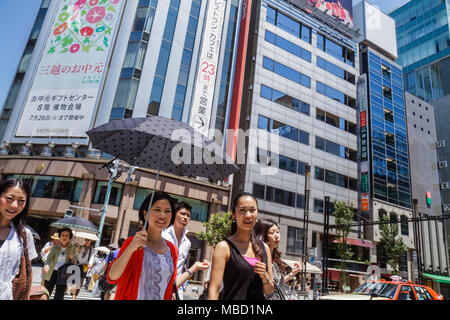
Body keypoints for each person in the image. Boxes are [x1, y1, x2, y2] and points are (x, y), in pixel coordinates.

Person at [107, 191, 181, 300]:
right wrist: (131, 248)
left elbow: (169, 286)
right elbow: (111, 277)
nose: (162, 215)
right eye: (157, 210)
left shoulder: (172, 249)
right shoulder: (132, 243)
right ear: (145, 213)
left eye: (167, 211)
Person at [208, 192, 274, 300]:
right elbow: (214, 289)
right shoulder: (224, 247)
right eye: (242, 210)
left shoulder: (264, 248)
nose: (248, 215)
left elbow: (269, 290)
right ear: (233, 214)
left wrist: (265, 277)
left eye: (252, 210)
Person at [162, 201, 210, 299]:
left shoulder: (187, 243)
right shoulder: (163, 236)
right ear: (174, 214)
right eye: (183, 214)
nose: (185, 217)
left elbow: (179, 269)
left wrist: (176, 290)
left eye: (188, 215)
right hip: (160, 288)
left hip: (176, 291)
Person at [0, 178, 38, 300]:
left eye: (21, 201)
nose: (14, 205)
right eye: (9, 198)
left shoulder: (24, 235)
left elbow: (27, 274)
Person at [254, 218, 301, 300]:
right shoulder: (258, 258)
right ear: (262, 235)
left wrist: (293, 273)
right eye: (272, 233)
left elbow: (278, 283)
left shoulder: (276, 259)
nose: (277, 235)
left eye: (278, 232)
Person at [42, 227, 78, 300]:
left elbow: (75, 262)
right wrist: (46, 266)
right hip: (51, 272)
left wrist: (72, 258)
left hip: (63, 274)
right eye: (63, 235)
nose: (64, 237)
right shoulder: (55, 247)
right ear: (60, 236)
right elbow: (49, 258)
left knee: (59, 295)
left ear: (70, 237)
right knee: (46, 293)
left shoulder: (73, 248)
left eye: (67, 235)